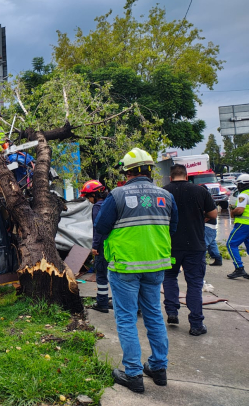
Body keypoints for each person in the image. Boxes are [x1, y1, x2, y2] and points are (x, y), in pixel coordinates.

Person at [94, 148, 178, 393]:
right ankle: (158, 368)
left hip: (125, 266)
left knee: (127, 319)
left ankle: (133, 374)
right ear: (150, 169)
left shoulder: (117, 195)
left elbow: (101, 226)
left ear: (127, 171)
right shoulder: (166, 196)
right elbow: (172, 228)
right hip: (155, 265)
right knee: (153, 316)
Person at [162, 165, 218, 336]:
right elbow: (214, 214)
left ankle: (172, 311)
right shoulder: (200, 191)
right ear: (186, 177)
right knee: (194, 283)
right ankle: (196, 324)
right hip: (195, 246)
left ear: (170, 178)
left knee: (170, 277)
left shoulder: (163, 192)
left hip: (170, 247)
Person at [80, 180, 111, 313]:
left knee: (102, 275)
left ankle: (102, 303)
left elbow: (98, 229)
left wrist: (95, 246)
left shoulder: (97, 207)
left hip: (103, 247)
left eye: (88, 196)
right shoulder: (110, 203)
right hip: (116, 246)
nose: (88, 200)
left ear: (94, 194)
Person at [226, 174, 249, 279]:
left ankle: (239, 268)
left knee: (231, 244)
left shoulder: (243, 195)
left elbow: (240, 210)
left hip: (243, 225)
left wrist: (232, 211)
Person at [202, 185, 222, 266]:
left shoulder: (205, 201)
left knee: (203, 244)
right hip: (212, 226)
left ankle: (201, 261)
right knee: (212, 244)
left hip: (207, 226)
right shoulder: (210, 200)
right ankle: (218, 259)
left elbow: (207, 215)